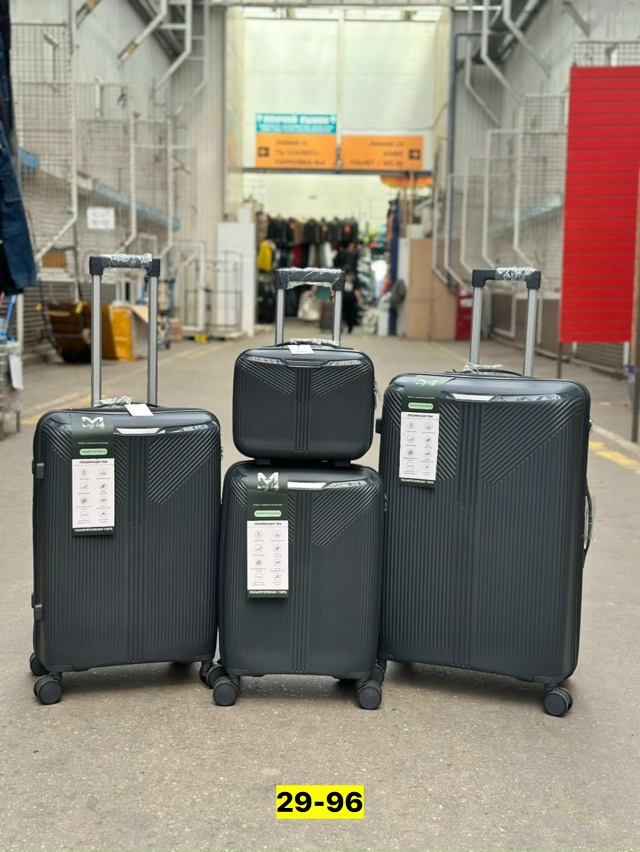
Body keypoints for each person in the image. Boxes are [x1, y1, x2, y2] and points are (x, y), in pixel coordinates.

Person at [342, 267, 362, 334]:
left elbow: (357, 292)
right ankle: (342, 327)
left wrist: (359, 300)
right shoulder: (342, 283)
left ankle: (350, 328)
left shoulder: (354, 284)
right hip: (343, 302)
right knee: (343, 315)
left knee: (351, 316)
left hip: (351, 303)